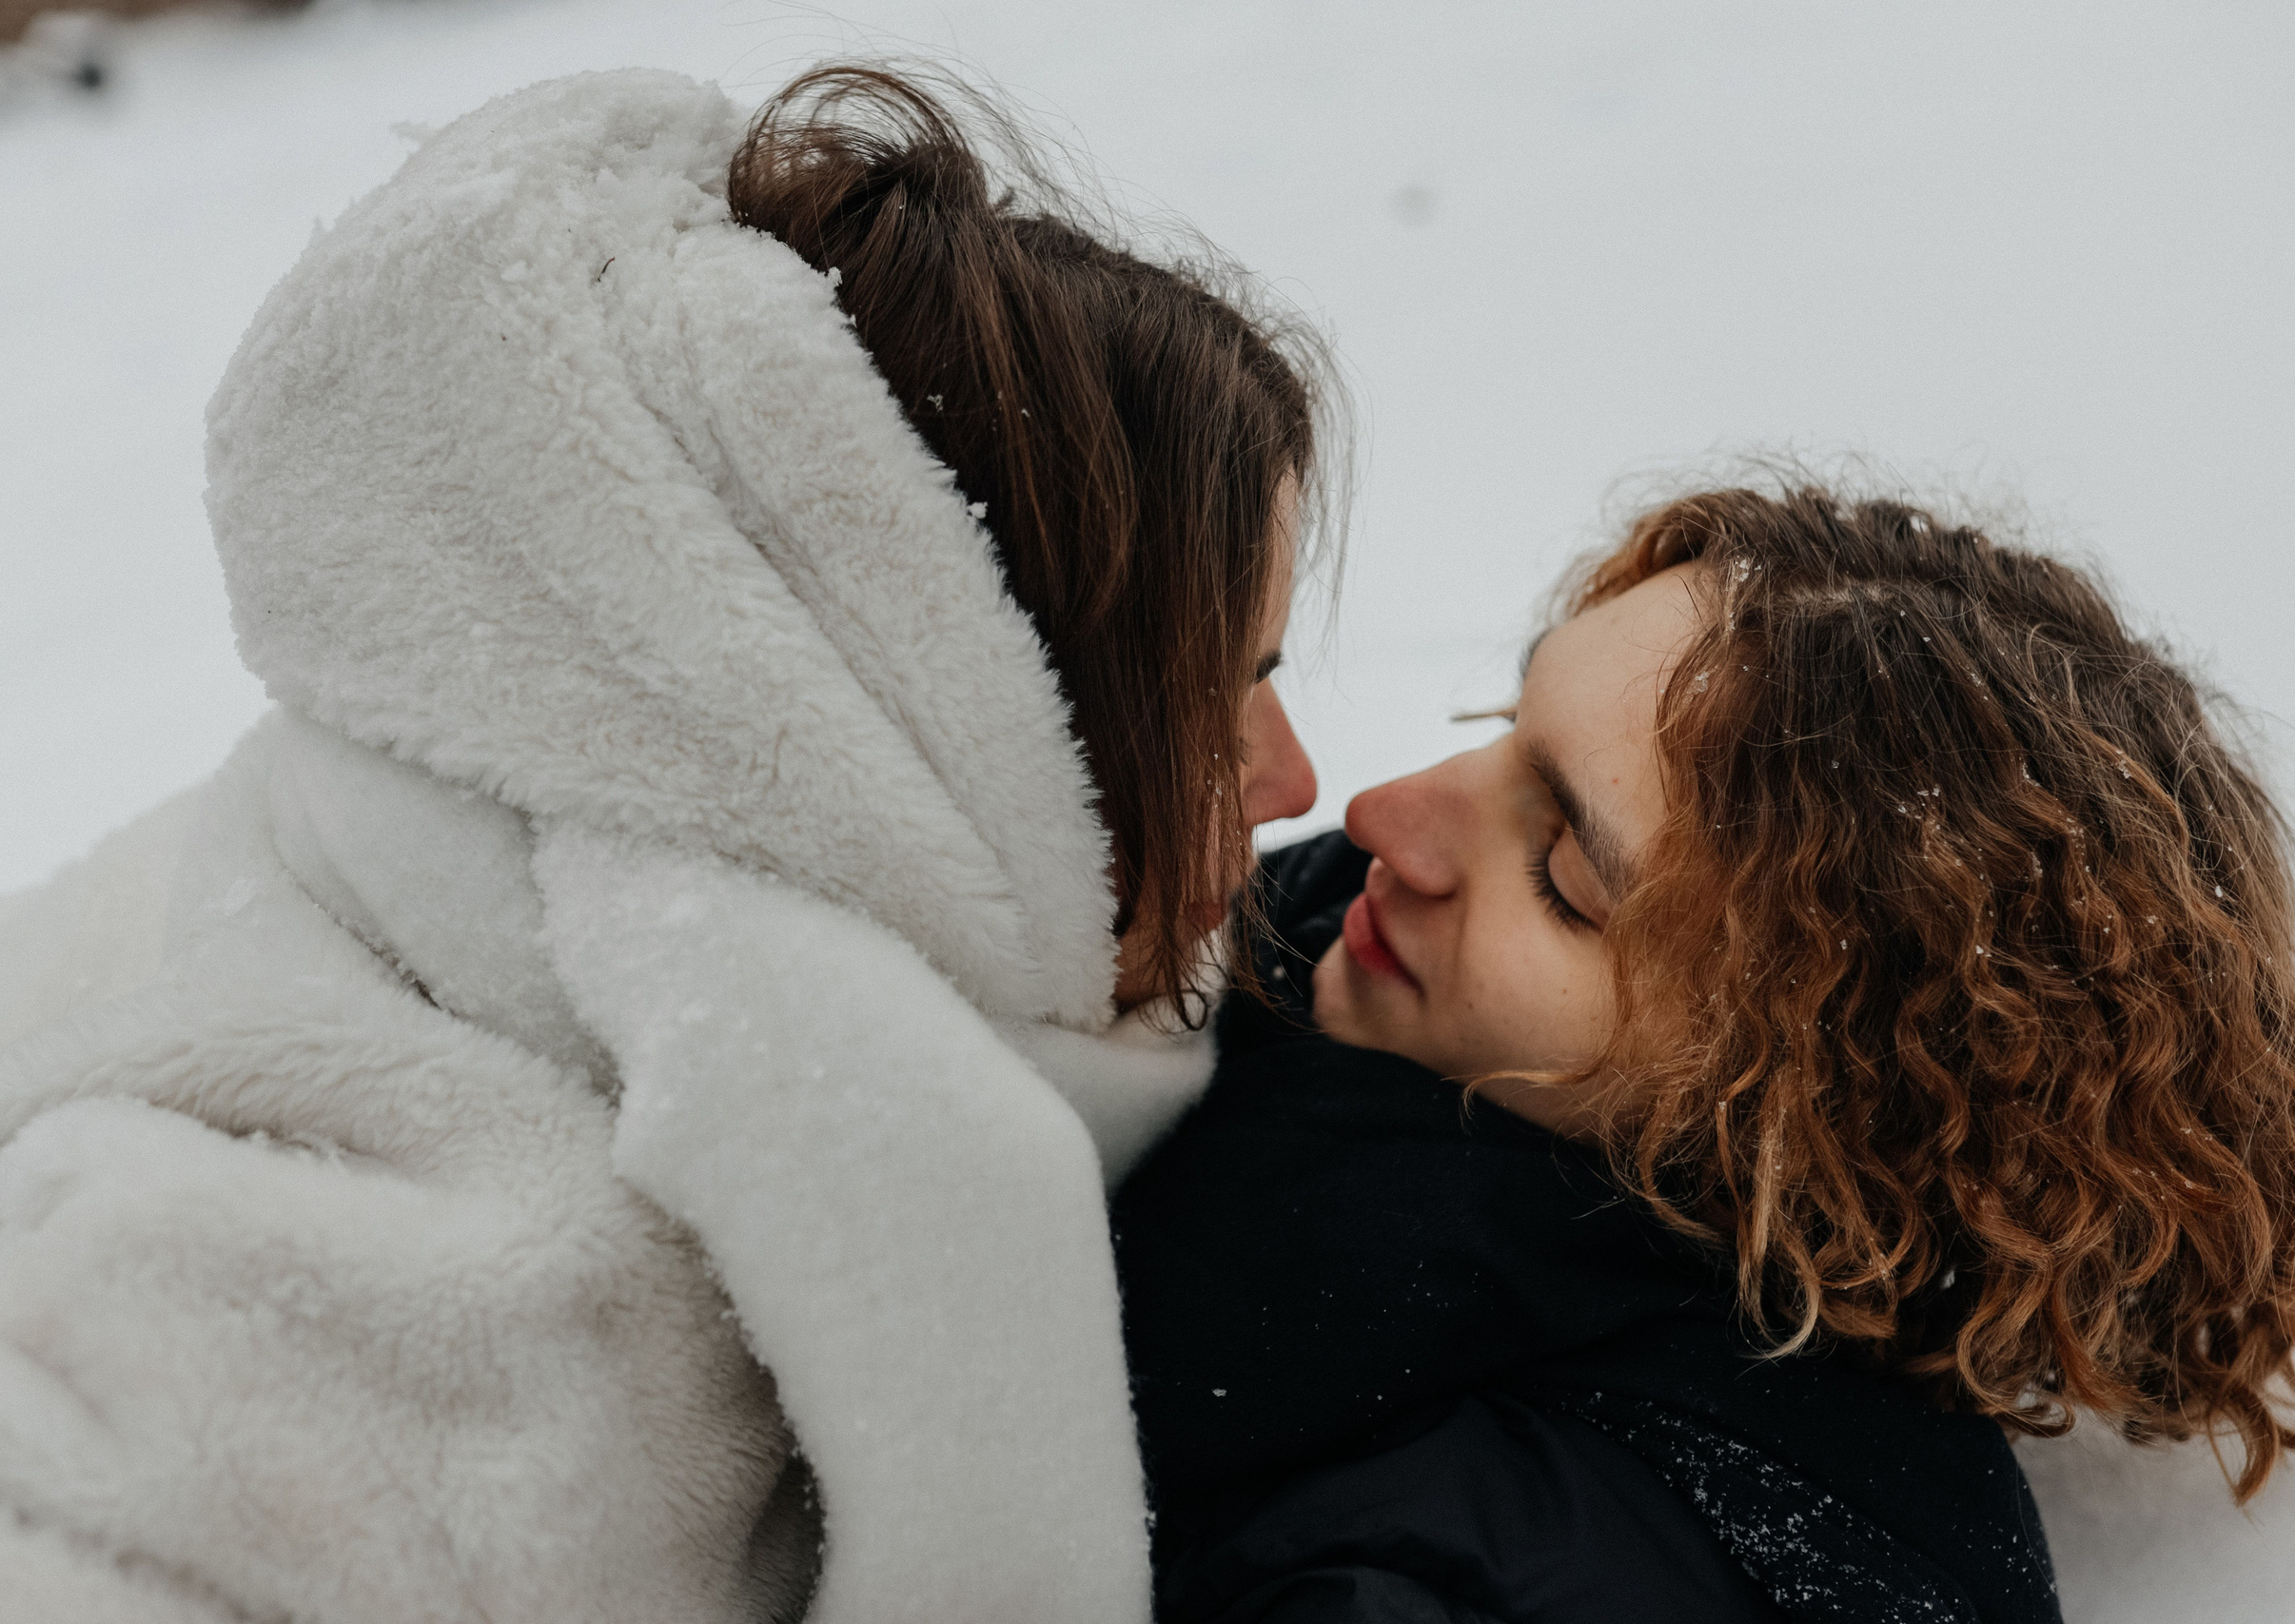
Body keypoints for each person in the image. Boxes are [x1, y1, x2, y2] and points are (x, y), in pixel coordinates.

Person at [0, 64, 1327, 1623]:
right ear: (964, 720)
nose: (1294, 784)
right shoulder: (469, 1343)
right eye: (1221, 698)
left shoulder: (367, 845)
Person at [1115, 481, 2295, 1623]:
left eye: (1567, 876)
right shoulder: (1278, 952)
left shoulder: (1580, 1560)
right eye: (1499, 736)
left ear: (1808, 1111)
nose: (1382, 813)